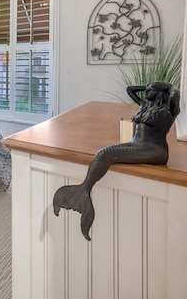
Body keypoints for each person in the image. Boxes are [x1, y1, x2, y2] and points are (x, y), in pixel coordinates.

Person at [53, 81, 180, 240]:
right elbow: (130, 90)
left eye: (151, 89)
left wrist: (169, 87)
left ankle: (83, 191)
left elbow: (175, 94)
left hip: (154, 150)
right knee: (104, 152)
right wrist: (151, 86)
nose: (147, 90)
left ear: (161, 92)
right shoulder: (145, 106)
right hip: (135, 144)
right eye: (146, 87)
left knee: (105, 153)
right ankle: (83, 191)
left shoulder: (167, 111)